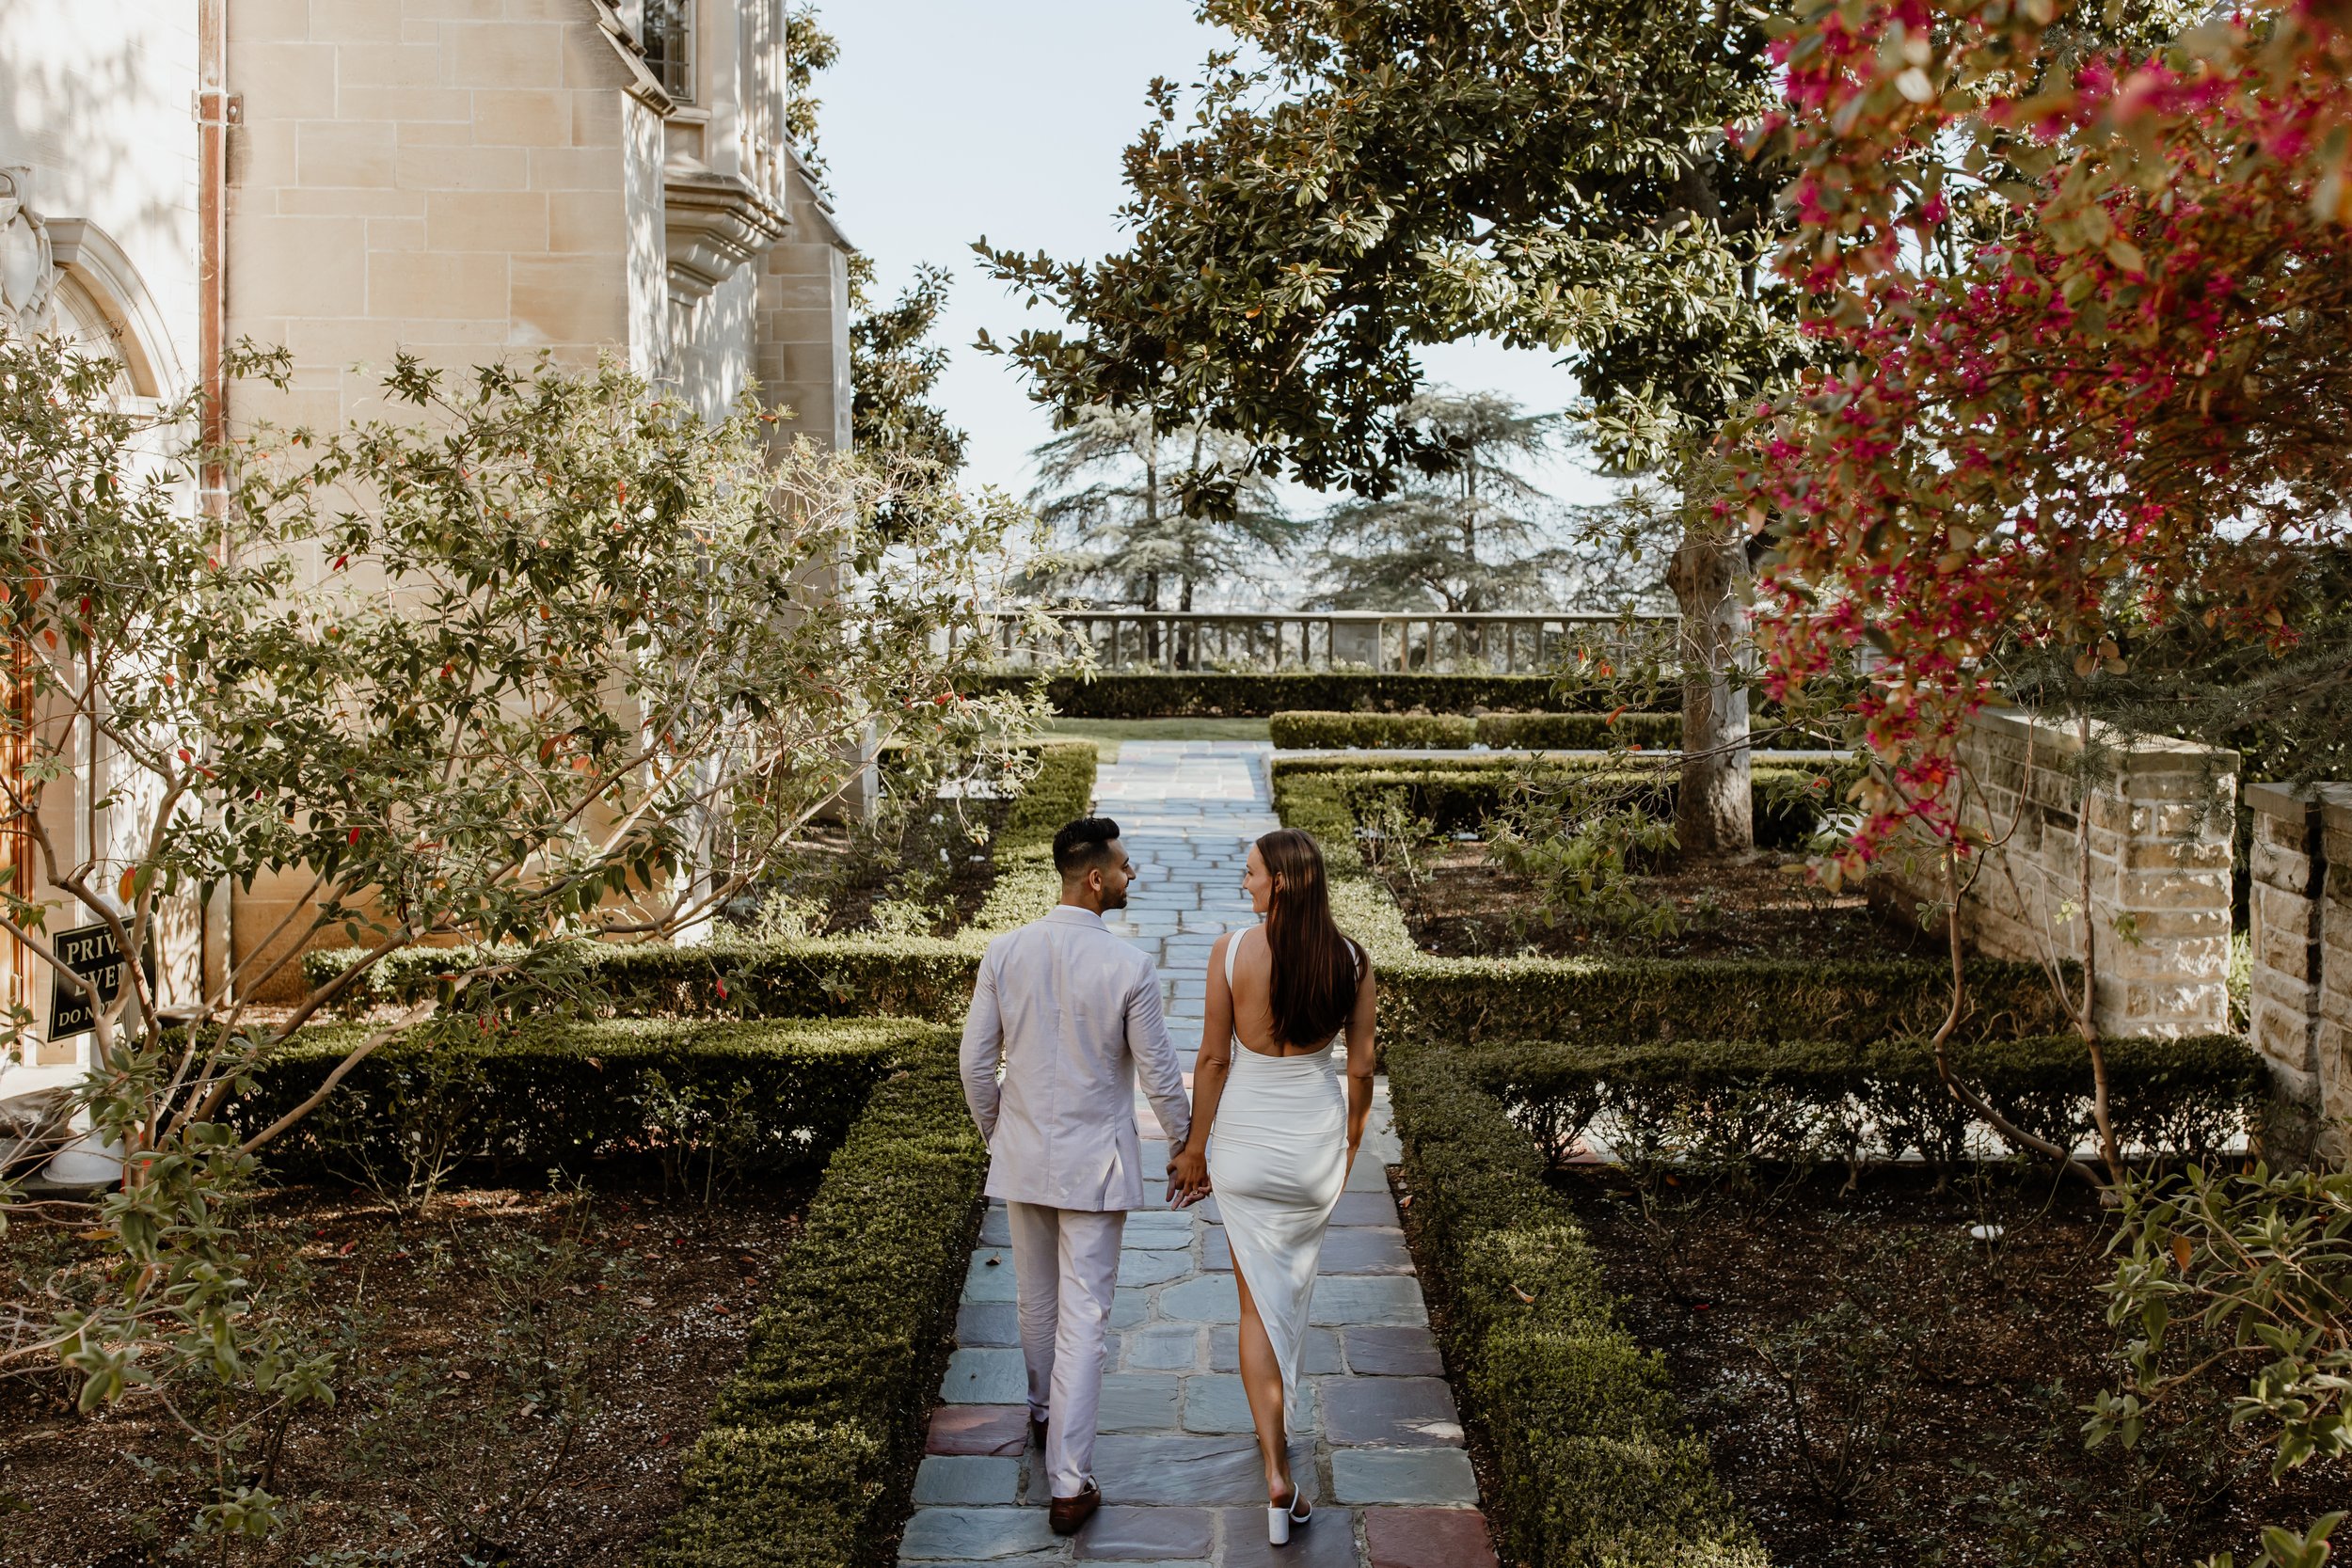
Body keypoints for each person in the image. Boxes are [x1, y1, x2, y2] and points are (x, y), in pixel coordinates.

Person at [959, 815, 1192, 1537]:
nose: (1130, 875)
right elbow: (1159, 1075)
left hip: (1025, 1158)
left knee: (1036, 1302)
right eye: (1123, 865)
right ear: (1094, 878)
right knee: (1085, 1319)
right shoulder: (1129, 967)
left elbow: (974, 1064)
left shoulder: (1006, 950)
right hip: (1095, 1165)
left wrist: (1002, 1133)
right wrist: (1188, 1144)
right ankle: (1068, 1480)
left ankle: (1040, 1413)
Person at [1168, 828, 1377, 1546]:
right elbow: (1360, 1068)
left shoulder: (1229, 953)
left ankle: (1276, 1472)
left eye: (1251, 873)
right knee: (1291, 1290)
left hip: (1247, 1153)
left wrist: (1195, 1149)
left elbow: (1212, 1058)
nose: (1245, 883)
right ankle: (1282, 1456)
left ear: (1281, 882)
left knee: (1254, 1305)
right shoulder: (1351, 959)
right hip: (1314, 1150)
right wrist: (1348, 1147)